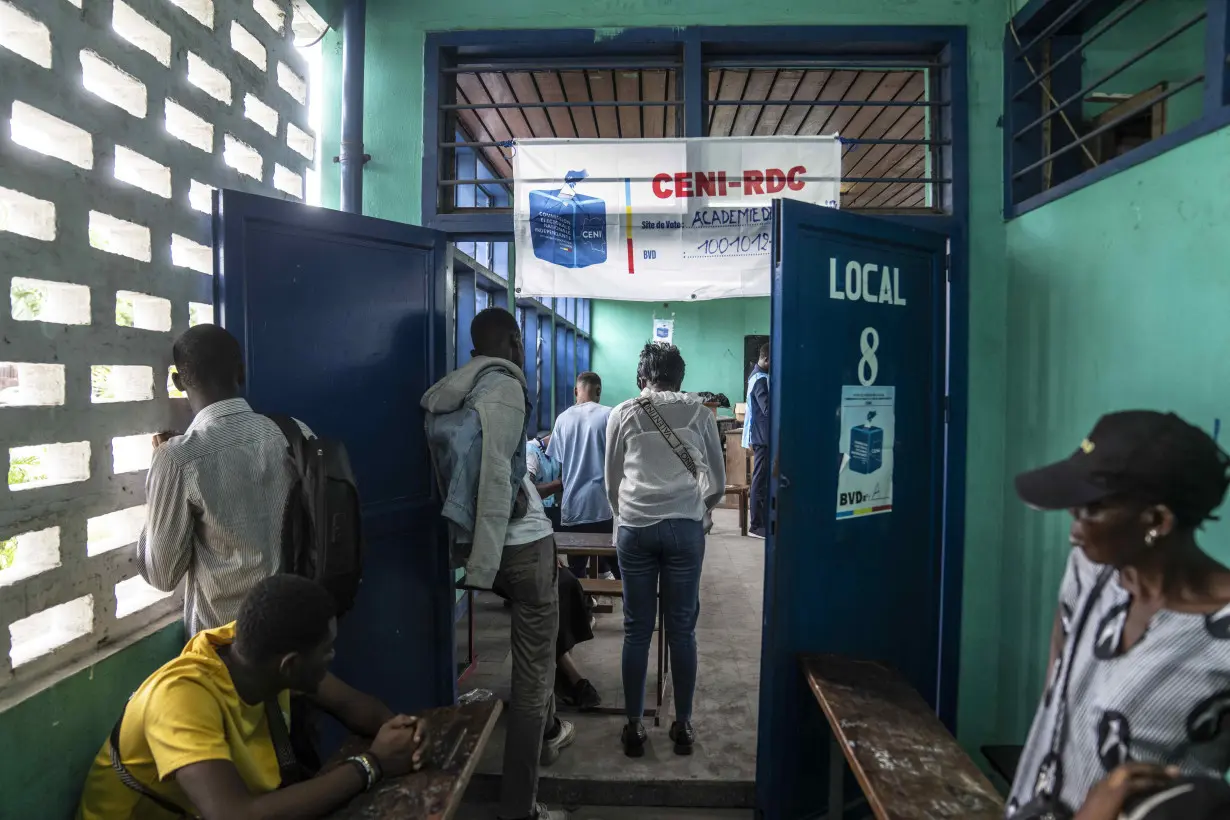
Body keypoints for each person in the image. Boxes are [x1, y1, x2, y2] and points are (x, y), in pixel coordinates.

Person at [1007, 411, 1230, 820]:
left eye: (1091, 509)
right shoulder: (1089, 571)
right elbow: (1055, 699)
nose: (1074, 526)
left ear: (1157, 521)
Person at [77, 575, 429, 820]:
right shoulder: (181, 699)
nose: (332, 657)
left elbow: (350, 705)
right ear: (290, 665)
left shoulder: (255, 651)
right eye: (327, 650)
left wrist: (400, 731)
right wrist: (373, 764)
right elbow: (233, 815)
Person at [422, 307, 573, 820]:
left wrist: (473, 555)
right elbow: (493, 485)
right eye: (520, 342)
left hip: (487, 548)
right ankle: (519, 808)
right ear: (510, 342)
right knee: (531, 681)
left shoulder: (454, 390)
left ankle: (551, 730)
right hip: (523, 549)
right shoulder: (505, 389)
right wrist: (484, 557)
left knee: (538, 656)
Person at [138, 324, 313, 637]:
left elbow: (162, 575)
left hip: (229, 646)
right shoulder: (296, 432)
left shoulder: (178, 459)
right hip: (300, 626)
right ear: (241, 372)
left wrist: (160, 490)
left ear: (179, 382)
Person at [605, 343, 724, 758]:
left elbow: (611, 481)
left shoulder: (621, 413)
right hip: (684, 529)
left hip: (634, 528)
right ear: (680, 378)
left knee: (637, 629)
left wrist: (627, 518)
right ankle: (683, 726)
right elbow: (719, 485)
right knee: (682, 630)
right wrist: (697, 510)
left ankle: (634, 727)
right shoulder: (699, 412)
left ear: (642, 377)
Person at [549, 372, 616, 579]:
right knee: (620, 569)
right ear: (598, 391)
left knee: (577, 571)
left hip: (574, 508)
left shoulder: (562, 419)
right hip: (603, 507)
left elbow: (560, 461)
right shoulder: (610, 415)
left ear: (576, 391)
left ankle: (582, 609)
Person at [743, 343, 770, 538]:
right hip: (762, 436)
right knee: (759, 480)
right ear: (767, 359)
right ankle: (755, 525)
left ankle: (762, 522)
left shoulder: (756, 375)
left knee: (763, 479)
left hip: (760, 434)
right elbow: (767, 408)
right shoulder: (760, 379)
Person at [526, 431, 563, 530]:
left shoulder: (553, 454)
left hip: (551, 507)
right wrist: (559, 483)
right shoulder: (531, 451)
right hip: (535, 511)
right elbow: (528, 487)